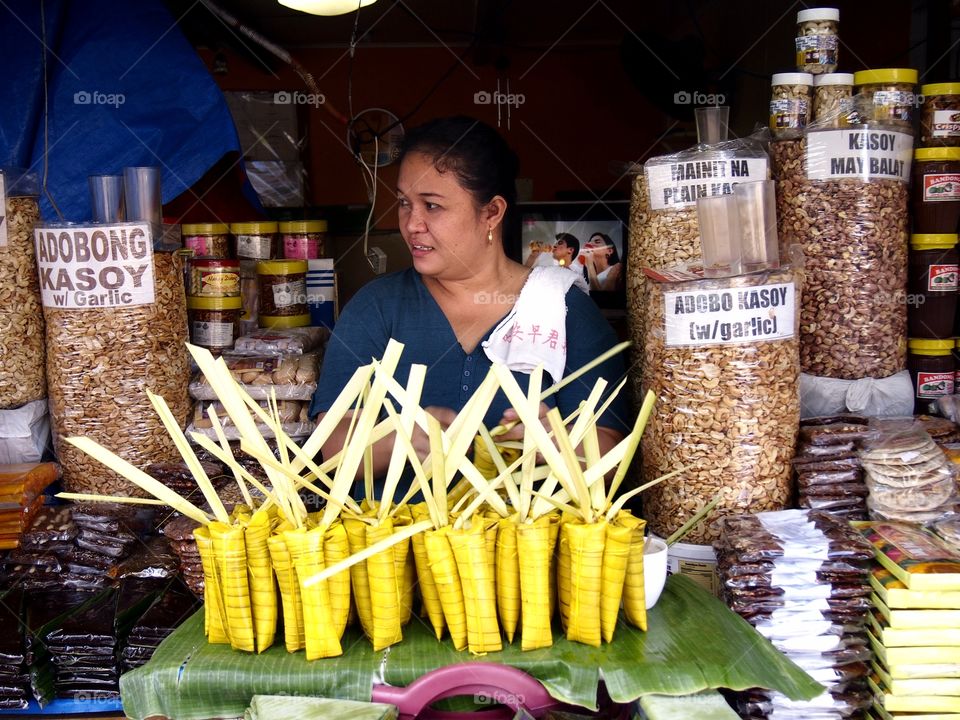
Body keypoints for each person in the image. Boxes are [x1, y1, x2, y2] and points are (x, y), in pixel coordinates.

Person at [310, 116, 629, 489]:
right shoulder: (377, 308)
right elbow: (331, 446)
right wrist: (401, 440)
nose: (412, 223)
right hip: (396, 542)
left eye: (432, 206)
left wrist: (556, 443)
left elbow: (615, 454)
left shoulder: (562, 309)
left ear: (491, 212)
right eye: (403, 203)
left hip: (530, 542)